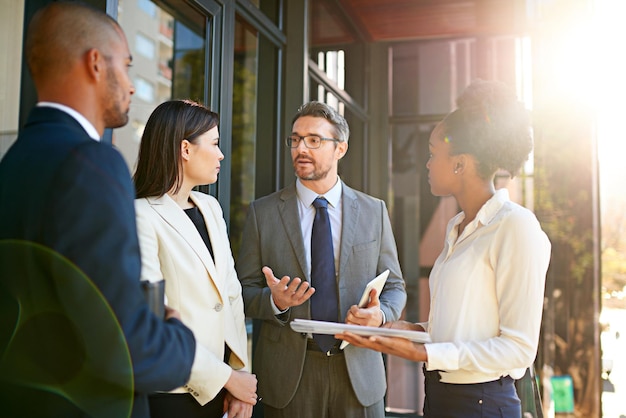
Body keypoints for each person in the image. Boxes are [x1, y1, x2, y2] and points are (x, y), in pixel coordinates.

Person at [0, 2, 196, 417]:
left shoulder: (13, 163)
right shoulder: (92, 163)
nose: (130, 85)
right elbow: (124, 348)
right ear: (95, 64)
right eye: (126, 66)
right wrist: (178, 334)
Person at [337, 80, 552, 418]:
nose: (427, 163)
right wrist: (393, 328)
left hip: (482, 404)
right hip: (440, 398)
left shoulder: (515, 227)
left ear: (460, 164)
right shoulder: (457, 228)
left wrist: (424, 353)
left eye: (433, 153)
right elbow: (458, 328)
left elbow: (518, 349)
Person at [236, 101, 407, 418]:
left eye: (314, 140)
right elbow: (243, 291)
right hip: (289, 378)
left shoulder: (374, 212)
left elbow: (395, 286)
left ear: (340, 148)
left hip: (358, 372)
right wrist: (275, 302)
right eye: (296, 139)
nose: (301, 148)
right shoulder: (264, 213)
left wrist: (380, 315)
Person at [133, 99, 257, 418]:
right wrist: (227, 378)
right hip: (171, 392)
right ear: (185, 149)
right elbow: (153, 317)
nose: (221, 155)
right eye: (215, 144)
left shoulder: (210, 208)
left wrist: (238, 378)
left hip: (221, 390)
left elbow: (231, 297)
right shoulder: (140, 216)